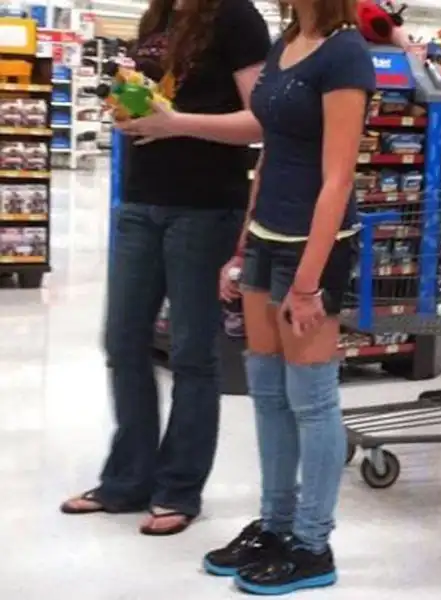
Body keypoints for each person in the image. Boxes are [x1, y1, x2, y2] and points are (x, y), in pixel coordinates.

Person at [60, 0, 270, 536]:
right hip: (140, 200)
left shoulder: (236, 16)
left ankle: (178, 488)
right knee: (123, 341)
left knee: (192, 353)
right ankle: (128, 480)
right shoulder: (157, 17)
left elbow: (260, 121)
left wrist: (176, 124)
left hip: (204, 206)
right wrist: (129, 110)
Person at [203, 0, 376, 595]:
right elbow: (271, 151)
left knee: (311, 398)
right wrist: (242, 243)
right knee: (269, 392)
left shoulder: (346, 54)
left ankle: (312, 544)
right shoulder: (286, 41)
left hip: (314, 248)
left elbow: (338, 178)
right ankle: (275, 526)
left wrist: (308, 282)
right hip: (265, 237)